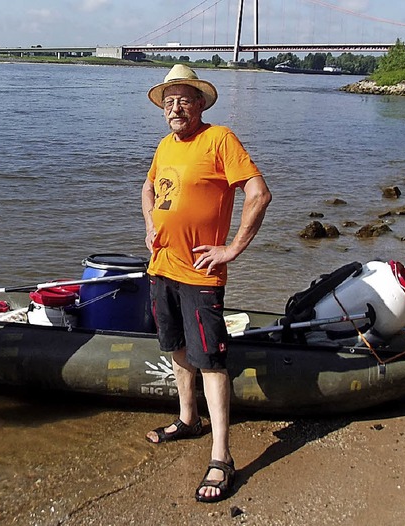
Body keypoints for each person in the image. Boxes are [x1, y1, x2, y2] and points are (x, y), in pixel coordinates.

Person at [142, 65, 272, 503]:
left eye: (184, 99)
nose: (175, 107)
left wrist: (232, 248)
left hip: (201, 275)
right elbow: (149, 190)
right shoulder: (164, 145)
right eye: (169, 101)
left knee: (212, 362)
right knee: (175, 347)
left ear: (200, 104)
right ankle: (187, 419)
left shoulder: (220, 139)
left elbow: (259, 193)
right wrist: (150, 227)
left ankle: (222, 456)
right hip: (162, 267)